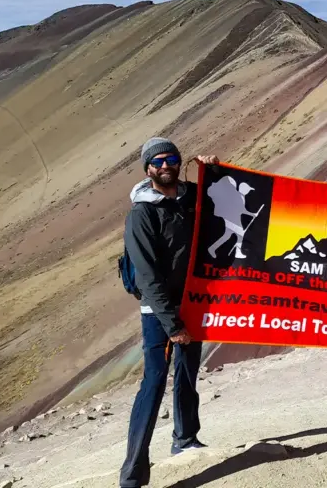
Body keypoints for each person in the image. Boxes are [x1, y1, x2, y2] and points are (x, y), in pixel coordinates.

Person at [119, 137, 219, 488]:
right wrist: (172, 323)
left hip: (192, 303)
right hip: (159, 312)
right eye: (158, 161)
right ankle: (131, 475)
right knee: (155, 380)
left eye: (171, 158)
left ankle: (185, 439)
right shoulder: (142, 213)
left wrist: (214, 171)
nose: (165, 165)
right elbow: (147, 274)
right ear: (148, 168)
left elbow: (219, 206)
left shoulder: (190, 197)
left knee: (189, 373)